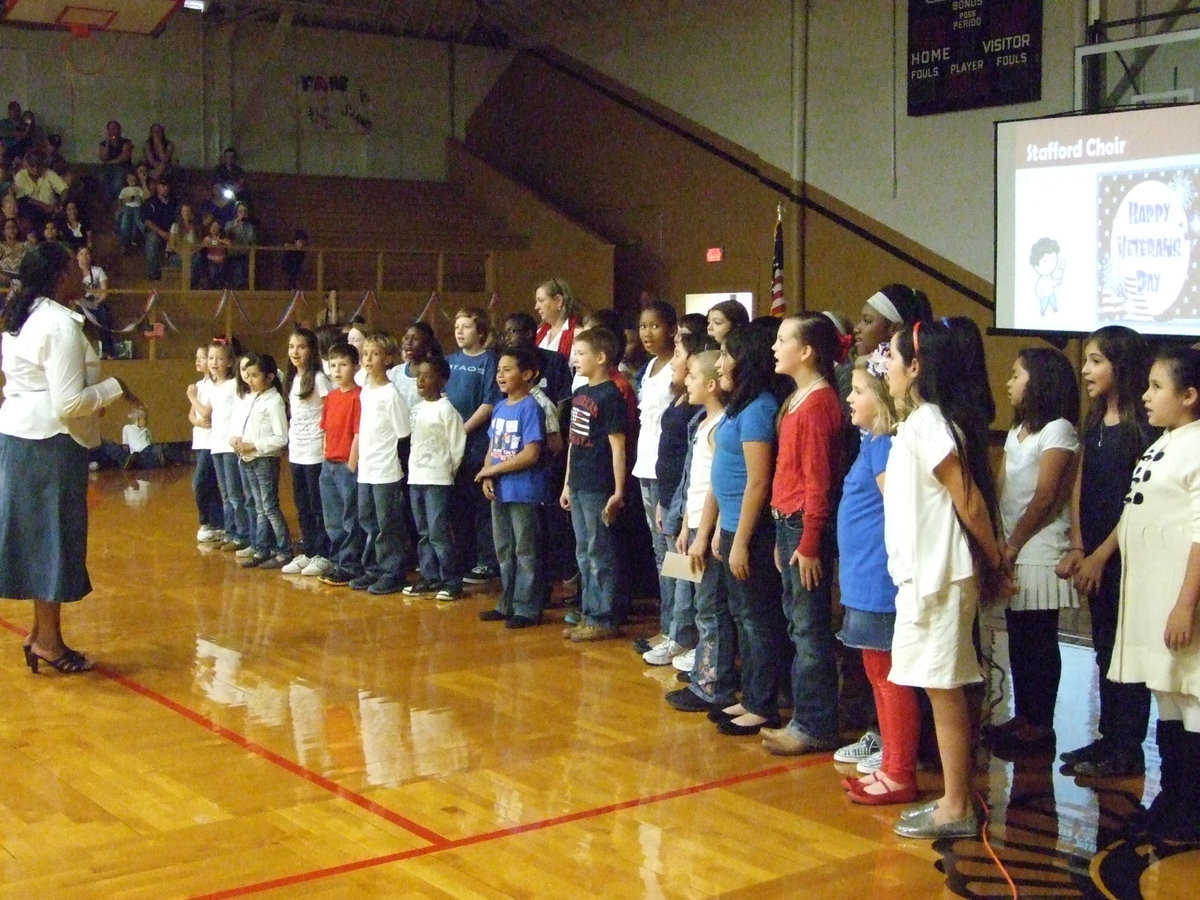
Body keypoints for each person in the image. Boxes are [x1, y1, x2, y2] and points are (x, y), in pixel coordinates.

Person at [883, 319, 1004, 840]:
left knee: (944, 688)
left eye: (890, 356)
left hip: (939, 577)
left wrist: (997, 560)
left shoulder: (929, 421)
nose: (882, 366)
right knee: (937, 686)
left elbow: (968, 499)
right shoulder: (918, 422)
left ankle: (958, 806)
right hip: (922, 577)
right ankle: (953, 798)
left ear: (917, 368)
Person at [0, 242, 142, 674]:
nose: (83, 272)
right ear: (60, 276)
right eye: (73, 266)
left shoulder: (20, 315)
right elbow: (68, 403)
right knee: (54, 539)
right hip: (52, 442)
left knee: (40, 538)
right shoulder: (58, 324)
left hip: (22, 437)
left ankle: (44, 635)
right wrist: (114, 387)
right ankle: (48, 641)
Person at [1110, 344, 1200, 840]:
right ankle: (1173, 800)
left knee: (1193, 704)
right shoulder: (1165, 440)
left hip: (1182, 605)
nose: (1145, 396)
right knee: (1168, 702)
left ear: (1189, 395)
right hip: (1154, 603)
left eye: (1156, 387)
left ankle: (1190, 809)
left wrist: (1186, 603)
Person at [1056, 326, 1154, 778]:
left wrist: (1101, 554)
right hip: (1093, 549)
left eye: (1096, 360)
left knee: (1125, 648)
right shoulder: (1094, 420)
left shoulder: (1144, 426)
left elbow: (1138, 501)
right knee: (1103, 648)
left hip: (1127, 557)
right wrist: (1080, 545)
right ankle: (1108, 737)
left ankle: (1128, 745)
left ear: (1121, 365)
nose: (1086, 368)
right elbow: (1080, 483)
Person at [833, 348, 919, 804]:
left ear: (884, 399)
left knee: (888, 674)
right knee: (874, 670)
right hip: (862, 576)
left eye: (859, 390)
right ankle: (889, 764)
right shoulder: (871, 441)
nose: (849, 397)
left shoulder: (886, 444)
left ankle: (899, 769)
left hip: (880, 578)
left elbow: (897, 508)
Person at [986, 348, 1080, 757]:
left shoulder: (1058, 429)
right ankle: (1024, 715)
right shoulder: (1018, 430)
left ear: (1039, 381)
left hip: (1038, 546)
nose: (1008, 382)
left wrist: (1014, 543)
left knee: (1039, 640)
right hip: (1011, 544)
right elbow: (1003, 486)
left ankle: (1040, 723)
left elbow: (1046, 497)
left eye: (1016, 375)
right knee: (1020, 639)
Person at [759, 313, 846, 754]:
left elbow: (818, 482)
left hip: (803, 524)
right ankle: (807, 717)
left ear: (807, 351)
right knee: (799, 623)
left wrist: (809, 542)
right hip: (788, 521)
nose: (775, 348)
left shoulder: (818, 404)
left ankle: (814, 723)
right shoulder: (798, 399)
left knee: (809, 628)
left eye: (782, 340)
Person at [703, 323, 789, 736]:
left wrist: (740, 541)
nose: (719, 363)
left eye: (726, 355)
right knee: (742, 616)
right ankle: (751, 695)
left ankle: (762, 703)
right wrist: (719, 528)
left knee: (758, 620)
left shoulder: (759, 409)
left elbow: (758, 481)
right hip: (733, 528)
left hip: (751, 534)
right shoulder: (741, 406)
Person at [664, 349, 734, 712]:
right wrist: (685, 527)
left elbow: (719, 487)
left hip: (706, 531)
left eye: (691, 376)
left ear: (710, 383)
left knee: (710, 608)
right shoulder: (702, 423)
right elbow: (693, 480)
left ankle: (713, 683)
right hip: (693, 526)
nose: (685, 381)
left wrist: (707, 534)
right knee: (697, 603)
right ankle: (704, 670)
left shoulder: (722, 427)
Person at [643, 330, 709, 664]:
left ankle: (686, 636)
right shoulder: (679, 397)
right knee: (674, 568)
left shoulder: (698, 409)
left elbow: (691, 461)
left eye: (680, 353)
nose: (674, 360)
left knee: (687, 572)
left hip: (686, 501)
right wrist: (662, 499)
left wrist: (678, 507)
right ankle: (674, 629)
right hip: (667, 493)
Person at [559, 328, 628, 641]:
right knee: (583, 551)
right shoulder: (580, 393)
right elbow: (574, 442)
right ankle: (588, 612)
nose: (576, 358)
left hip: (599, 485)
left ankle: (603, 616)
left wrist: (618, 490)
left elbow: (617, 445)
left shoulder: (611, 395)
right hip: (578, 482)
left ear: (600, 358)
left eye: (582, 353)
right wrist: (566, 484)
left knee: (599, 551)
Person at [477, 345, 549, 628]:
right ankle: (506, 602)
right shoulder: (499, 408)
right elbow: (493, 446)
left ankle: (527, 607)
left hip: (524, 490)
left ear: (528, 374)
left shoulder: (530, 407)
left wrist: (493, 469)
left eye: (508, 370)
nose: (501, 375)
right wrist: (488, 475)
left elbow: (531, 453)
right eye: (499, 370)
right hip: (500, 490)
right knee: (504, 548)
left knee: (525, 549)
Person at [631, 300, 679, 648]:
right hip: (645, 464)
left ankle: (679, 629)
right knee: (658, 550)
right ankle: (668, 625)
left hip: (668, 467)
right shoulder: (648, 367)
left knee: (673, 551)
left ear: (672, 329)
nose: (648, 333)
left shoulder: (677, 367)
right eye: (643, 326)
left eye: (655, 326)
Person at [351, 333, 412, 594]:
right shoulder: (365, 387)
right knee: (368, 519)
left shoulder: (391, 394)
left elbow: (403, 431)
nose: (368, 359)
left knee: (387, 523)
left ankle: (393, 571)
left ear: (388, 359)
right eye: (365, 354)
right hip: (367, 468)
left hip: (386, 469)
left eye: (375, 354)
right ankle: (373, 568)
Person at [446, 308, 502, 587]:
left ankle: (487, 561)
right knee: (459, 506)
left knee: (481, 505)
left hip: (477, 444)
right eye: (457, 326)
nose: (459, 331)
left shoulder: (489, 361)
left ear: (480, 331)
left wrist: (461, 430)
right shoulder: (450, 360)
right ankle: (463, 557)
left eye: (466, 326)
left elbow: (489, 404)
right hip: (452, 448)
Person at [405, 357, 466, 599]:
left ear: (441, 380)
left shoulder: (446, 410)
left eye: (427, 376)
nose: (421, 380)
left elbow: (456, 446)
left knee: (439, 532)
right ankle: (430, 577)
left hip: (438, 479)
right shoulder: (417, 409)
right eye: (418, 375)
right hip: (416, 477)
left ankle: (451, 580)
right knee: (423, 532)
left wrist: (447, 471)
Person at [230, 353, 291, 569]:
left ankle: (284, 550)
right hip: (248, 458)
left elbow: (281, 437)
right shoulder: (251, 398)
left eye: (255, 376)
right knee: (259, 507)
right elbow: (244, 425)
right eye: (248, 375)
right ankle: (262, 547)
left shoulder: (274, 401)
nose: (250, 380)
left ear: (269, 377)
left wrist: (253, 445)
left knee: (270, 507)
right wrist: (237, 440)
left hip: (264, 460)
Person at [281, 328, 332, 576]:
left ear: (311, 350)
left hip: (315, 450)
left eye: (301, 347)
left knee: (317, 504)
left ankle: (324, 553)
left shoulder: (320, 379)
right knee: (302, 504)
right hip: (297, 451)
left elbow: (330, 412)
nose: (295, 352)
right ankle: (309, 550)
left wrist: (326, 443)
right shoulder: (293, 380)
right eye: (291, 347)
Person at [316, 342, 367, 585]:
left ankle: (350, 564)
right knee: (333, 517)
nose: (337, 370)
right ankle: (337, 560)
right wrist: (325, 455)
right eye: (333, 365)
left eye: (343, 365)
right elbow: (325, 429)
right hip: (329, 464)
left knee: (350, 518)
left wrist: (352, 464)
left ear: (355, 367)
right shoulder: (332, 396)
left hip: (348, 465)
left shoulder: (359, 397)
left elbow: (358, 433)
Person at [205, 340, 253, 553]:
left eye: (220, 358)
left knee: (235, 493)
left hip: (230, 445)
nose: (214, 362)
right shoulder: (212, 386)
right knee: (225, 493)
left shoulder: (234, 385)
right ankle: (230, 532)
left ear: (230, 362)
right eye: (211, 358)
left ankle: (243, 534)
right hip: (216, 444)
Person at [185, 345, 224, 543]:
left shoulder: (214, 386)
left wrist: (192, 397)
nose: (199, 361)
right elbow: (192, 414)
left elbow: (206, 411)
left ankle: (207, 522)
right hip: (200, 439)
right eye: (199, 358)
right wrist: (197, 421)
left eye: (203, 358)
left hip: (212, 441)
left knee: (200, 483)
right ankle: (218, 524)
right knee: (210, 484)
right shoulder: (199, 385)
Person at [74, 247, 116, 360]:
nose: (84, 257)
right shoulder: (73, 272)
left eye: (87, 254)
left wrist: (98, 302)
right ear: (77, 257)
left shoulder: (98, 270)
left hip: (96, 303)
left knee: (104, 317)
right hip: (79, 304)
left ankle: (109, 352)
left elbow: (104, 291)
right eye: (81, 254)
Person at [13, 154, 66, 233]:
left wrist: (61, 205)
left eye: (38, 166)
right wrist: (44, 206)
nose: (36, 170)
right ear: (26, 166)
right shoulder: (20, 176)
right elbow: (23, 198)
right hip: (31, 215)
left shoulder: (48, 173)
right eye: (32, 167)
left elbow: (64, 189)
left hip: (51, 214)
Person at [534, 277, 580, 361]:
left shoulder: (577, 334)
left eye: (541, 300)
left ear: (559, 300)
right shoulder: (538, 333)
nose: (536, 307)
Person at [142, 178, 179, 282]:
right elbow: (147, 221)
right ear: (157, 187)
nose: (165, 188)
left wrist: (172, 233)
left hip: (174, 232)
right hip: (156, 232)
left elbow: (179, 219)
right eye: (162, 186)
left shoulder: (175, 202)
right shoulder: (151, 202)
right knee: (152, 240)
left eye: (166, 186)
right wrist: (160, 232)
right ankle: (153, 275)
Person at [97, 120, 134, 202]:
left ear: (119, 130)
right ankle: (107, 202)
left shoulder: (126, 142)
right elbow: (103, 157)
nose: (112, 131)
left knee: (118, 181)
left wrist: (109, 162)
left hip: (123, 167)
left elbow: (123, 157)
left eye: (115, 128)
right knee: (101, 178)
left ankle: (115, 201)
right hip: (107, 168)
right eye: (110, 129)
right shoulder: (103, 144)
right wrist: (107, 144)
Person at [224, 201, 256, 289]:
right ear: (236, 212)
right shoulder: (229, 224)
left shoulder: (250, 227)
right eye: (240, 211)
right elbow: (224, 237)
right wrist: (234, 226)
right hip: (230, 255)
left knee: (241, 270)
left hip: (244, 255)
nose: (243, 213)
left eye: (245, 211)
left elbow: (251, 241)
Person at [115, 170, 146, 253]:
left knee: (139, 221)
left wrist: (138, 198)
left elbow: (143, 199)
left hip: (137, 208)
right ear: (127, 180)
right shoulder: (125, 189)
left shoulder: (139, 189)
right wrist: (120, 208)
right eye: (130, 180)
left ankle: (144, 238)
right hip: (127, 207)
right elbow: (120, 200)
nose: (132, 182)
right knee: (125, 222)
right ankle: (123, 244)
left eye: (134, 180)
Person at [199, 219, 230, 289]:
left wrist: (219, 240)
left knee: (222, 272)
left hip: (222, 259)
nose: (214, 228)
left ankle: (221, 286)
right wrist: (212, 242)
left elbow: (229, 243)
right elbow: (203, 245)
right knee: (213, 273)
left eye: (216, 227)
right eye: (212, 226)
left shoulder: (223, 238)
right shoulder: (207, 238)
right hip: (211, 259)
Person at [0, 216, 29, 289]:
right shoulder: (1, 246)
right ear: (3, 231)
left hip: (21, 280)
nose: (11, 230)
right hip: (3, 280)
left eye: (14, 227)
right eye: (8, 228)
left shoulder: (25, 246)